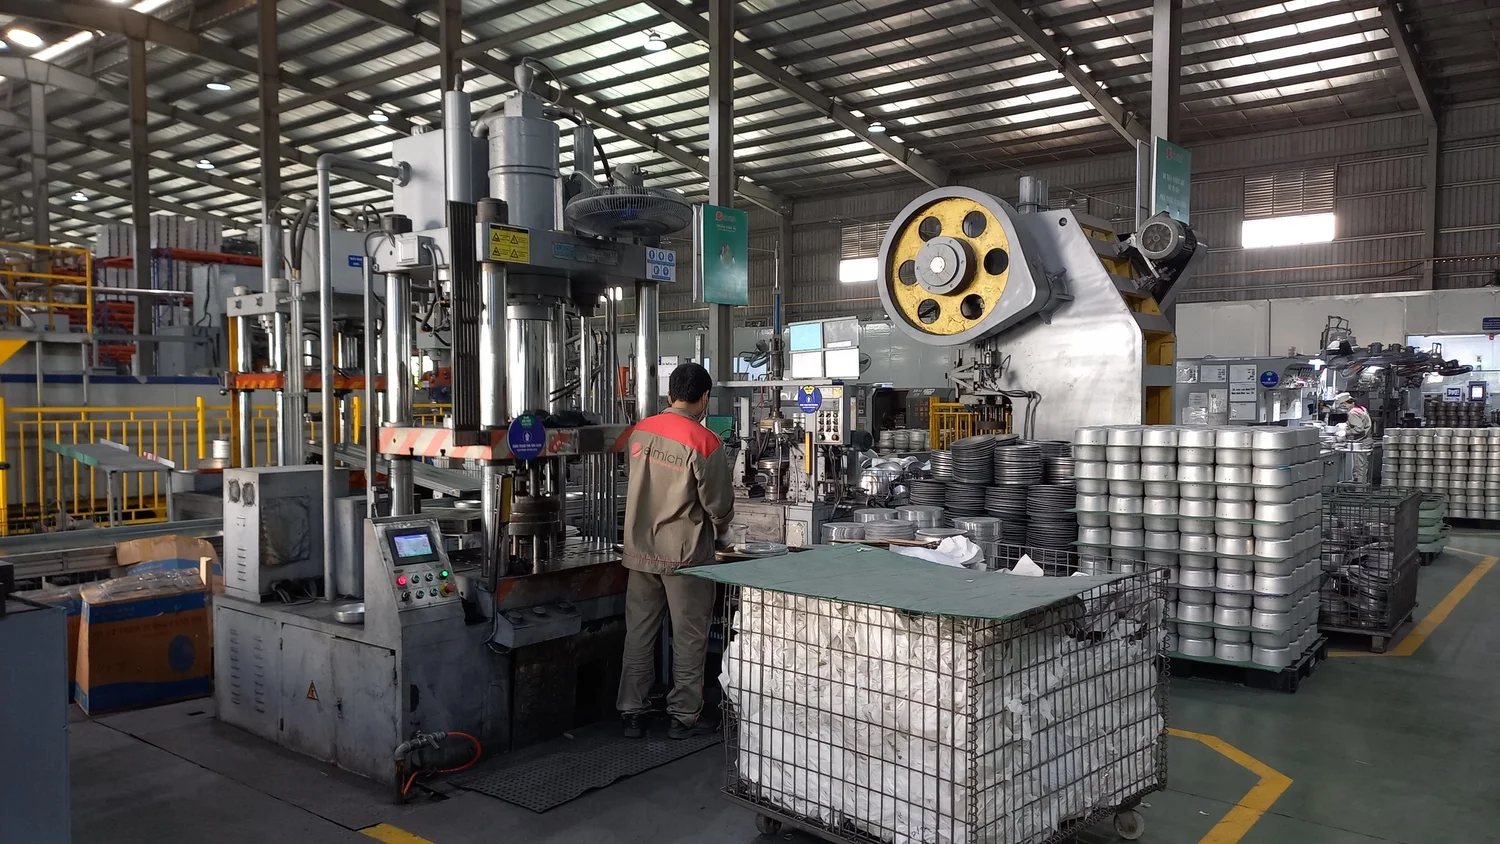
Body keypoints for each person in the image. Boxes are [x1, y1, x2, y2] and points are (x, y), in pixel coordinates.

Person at [617, 362, 735, 739]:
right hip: (685, 557)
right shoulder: (703, 440)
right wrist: (723, 533)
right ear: (704, 398)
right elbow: (717, 503)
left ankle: (631, 711)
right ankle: (683, 716)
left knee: (639, 633)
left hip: (639, 550)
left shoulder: (640, 432)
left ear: (670, 395)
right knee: (688, 637)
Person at [1334, 391, 1373, 482]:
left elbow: (1359, 429)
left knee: (1359, 468)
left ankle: (1359, 491)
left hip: (1361, 443)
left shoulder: (1353, 413)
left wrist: (1345, 432)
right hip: (1367, 440)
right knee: (1362, 467)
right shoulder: (1360, 408)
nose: (1340, 408)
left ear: (1344, 404)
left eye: (1340, 406)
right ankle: (1360, 488)